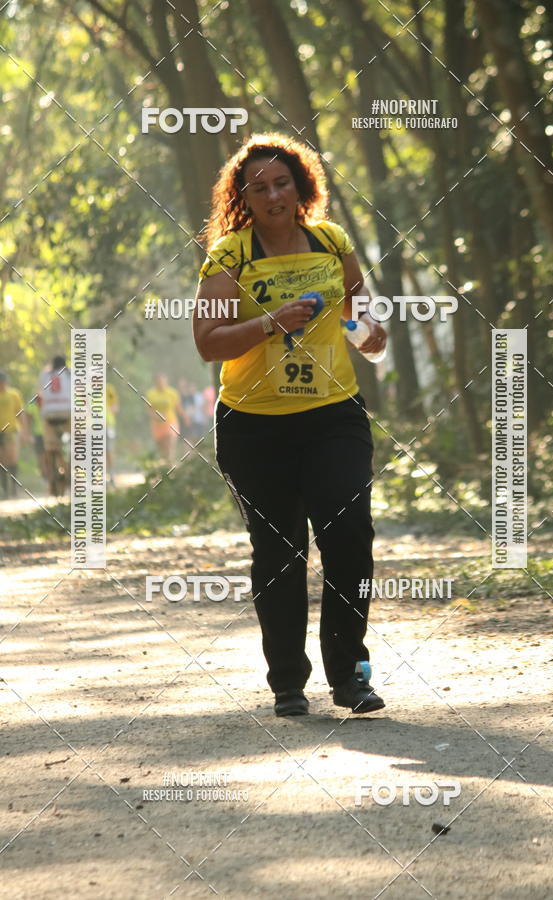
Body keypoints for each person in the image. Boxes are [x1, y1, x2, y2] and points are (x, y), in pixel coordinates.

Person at [192, 133, 387, 717]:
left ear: (302, 188)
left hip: (333, 415)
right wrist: (271, 322)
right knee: (280, 553)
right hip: (256, 426)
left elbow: (361, 315)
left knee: (349, 535)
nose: (274, 194)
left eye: (283, 182)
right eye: (260, 187)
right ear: (243, 198)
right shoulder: (231, 256)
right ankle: (287, 682)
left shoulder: (331, 242)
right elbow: (207, 342)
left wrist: (372, 335)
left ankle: (352, 675)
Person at [38, 355, 71, 487]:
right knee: (72, 443)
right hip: (66, 413)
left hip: (49, 414)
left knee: (50, 445)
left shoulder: (45, 375)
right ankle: (69, 469)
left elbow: (40, 395)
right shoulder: (70, 374)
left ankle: (51, 472)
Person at [146, 373, 189, 464]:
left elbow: (178, 407)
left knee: (169, 445)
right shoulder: (151, 394)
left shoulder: (172, 393)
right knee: (162, 450)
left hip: (170, 422)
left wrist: (185, 417)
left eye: (163, 381)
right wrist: (155, 416)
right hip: (157, 424)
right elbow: (149, 410)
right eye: (159, 382)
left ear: (166, 381)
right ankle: (166, 467)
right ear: (155, 382)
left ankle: (170, 466)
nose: (161, 383)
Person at [0, 372, 28, 499]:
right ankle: (5, 490)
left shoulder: (13, 394)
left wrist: (24, 431)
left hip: (10, 431)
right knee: (2, 461)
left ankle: (14, 488)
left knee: (12, 459)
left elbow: (20, 412)